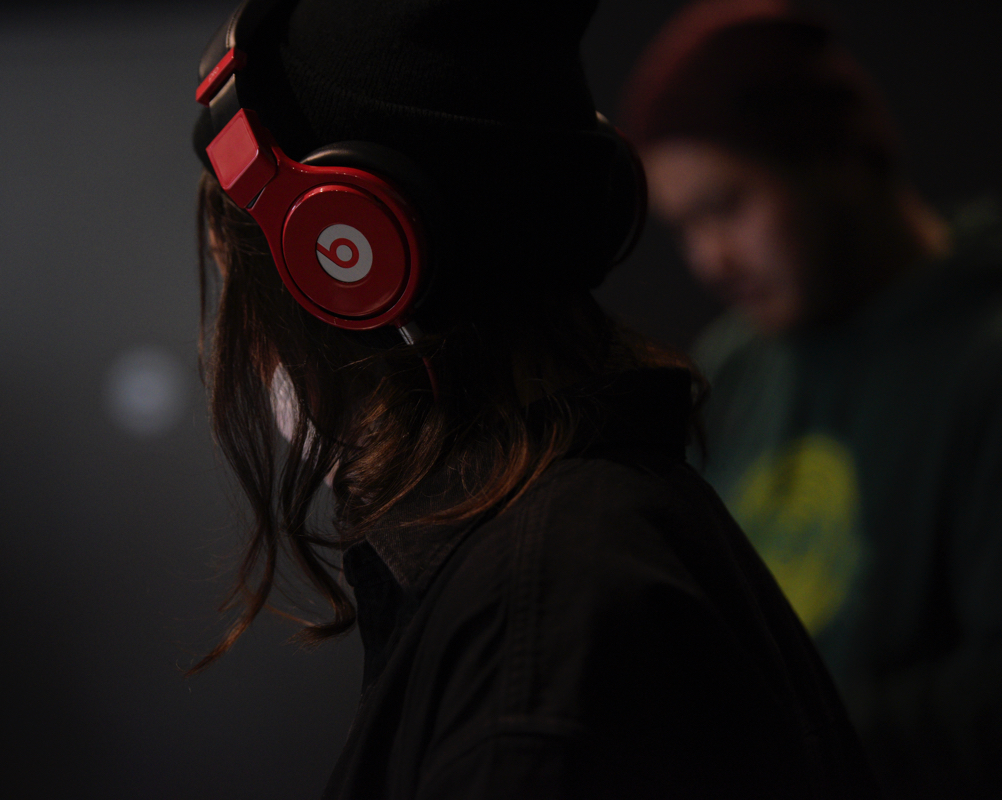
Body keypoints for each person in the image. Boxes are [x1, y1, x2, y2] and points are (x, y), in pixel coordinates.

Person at [189, 0, 877, 796]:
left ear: (351, 254)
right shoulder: (593, 536)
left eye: (244, 277)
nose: (240, 337)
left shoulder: (541, 639)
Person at [620, 1, 1002, 796]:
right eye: (684, 229)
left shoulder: (981, 356)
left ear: (836, 155)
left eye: (727, 206)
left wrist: (749, 746)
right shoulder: (734, 366)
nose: (710, 259)